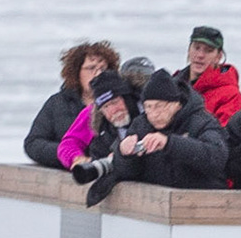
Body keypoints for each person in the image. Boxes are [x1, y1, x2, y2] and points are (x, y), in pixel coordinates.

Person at [71, 69, 227, 206]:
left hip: (205, 206)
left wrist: (169, 143)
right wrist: (124, 154)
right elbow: (129, 173)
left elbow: (217, 156)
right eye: (148, 107)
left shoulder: (200, 121)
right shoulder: (141, 125)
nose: (154, 113)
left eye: (159, 106)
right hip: (160, 207)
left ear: (176, 104)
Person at [24, 40, 119, 169]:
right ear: (76, 72)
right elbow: (33, 143)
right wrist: (71, 155)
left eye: (103, 69)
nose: (98, 74)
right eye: (91, 68)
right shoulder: (57, 103)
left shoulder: (119, 105)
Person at [173, 25, 241, 125]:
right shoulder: (173, 85)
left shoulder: (231, 96)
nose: (200, 55)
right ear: (189, 50)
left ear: (218, 56)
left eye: (208, 50)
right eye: (196, 48)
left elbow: (225, 137)